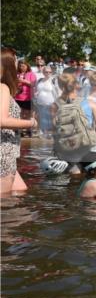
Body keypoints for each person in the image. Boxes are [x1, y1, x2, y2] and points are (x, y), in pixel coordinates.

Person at [1, 48, 36, 196]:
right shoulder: (2, 88)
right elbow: (2, 121)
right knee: (4, 202)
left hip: (8, 151)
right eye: (15, 60)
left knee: (21, 191)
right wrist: (30, 123)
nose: (18, 64)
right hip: (4, 153)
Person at [14, 59, 36, 136]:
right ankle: (19, 130)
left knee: (27, 114)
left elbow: (33, 84)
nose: (21, 67)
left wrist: (24, 81)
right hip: (17, 97)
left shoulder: (31, 74)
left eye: (23, 66)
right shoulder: (16, 74)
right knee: (18, 114)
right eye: (20, 66)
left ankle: (28, 130)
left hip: (27, 97)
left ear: (27, 66)